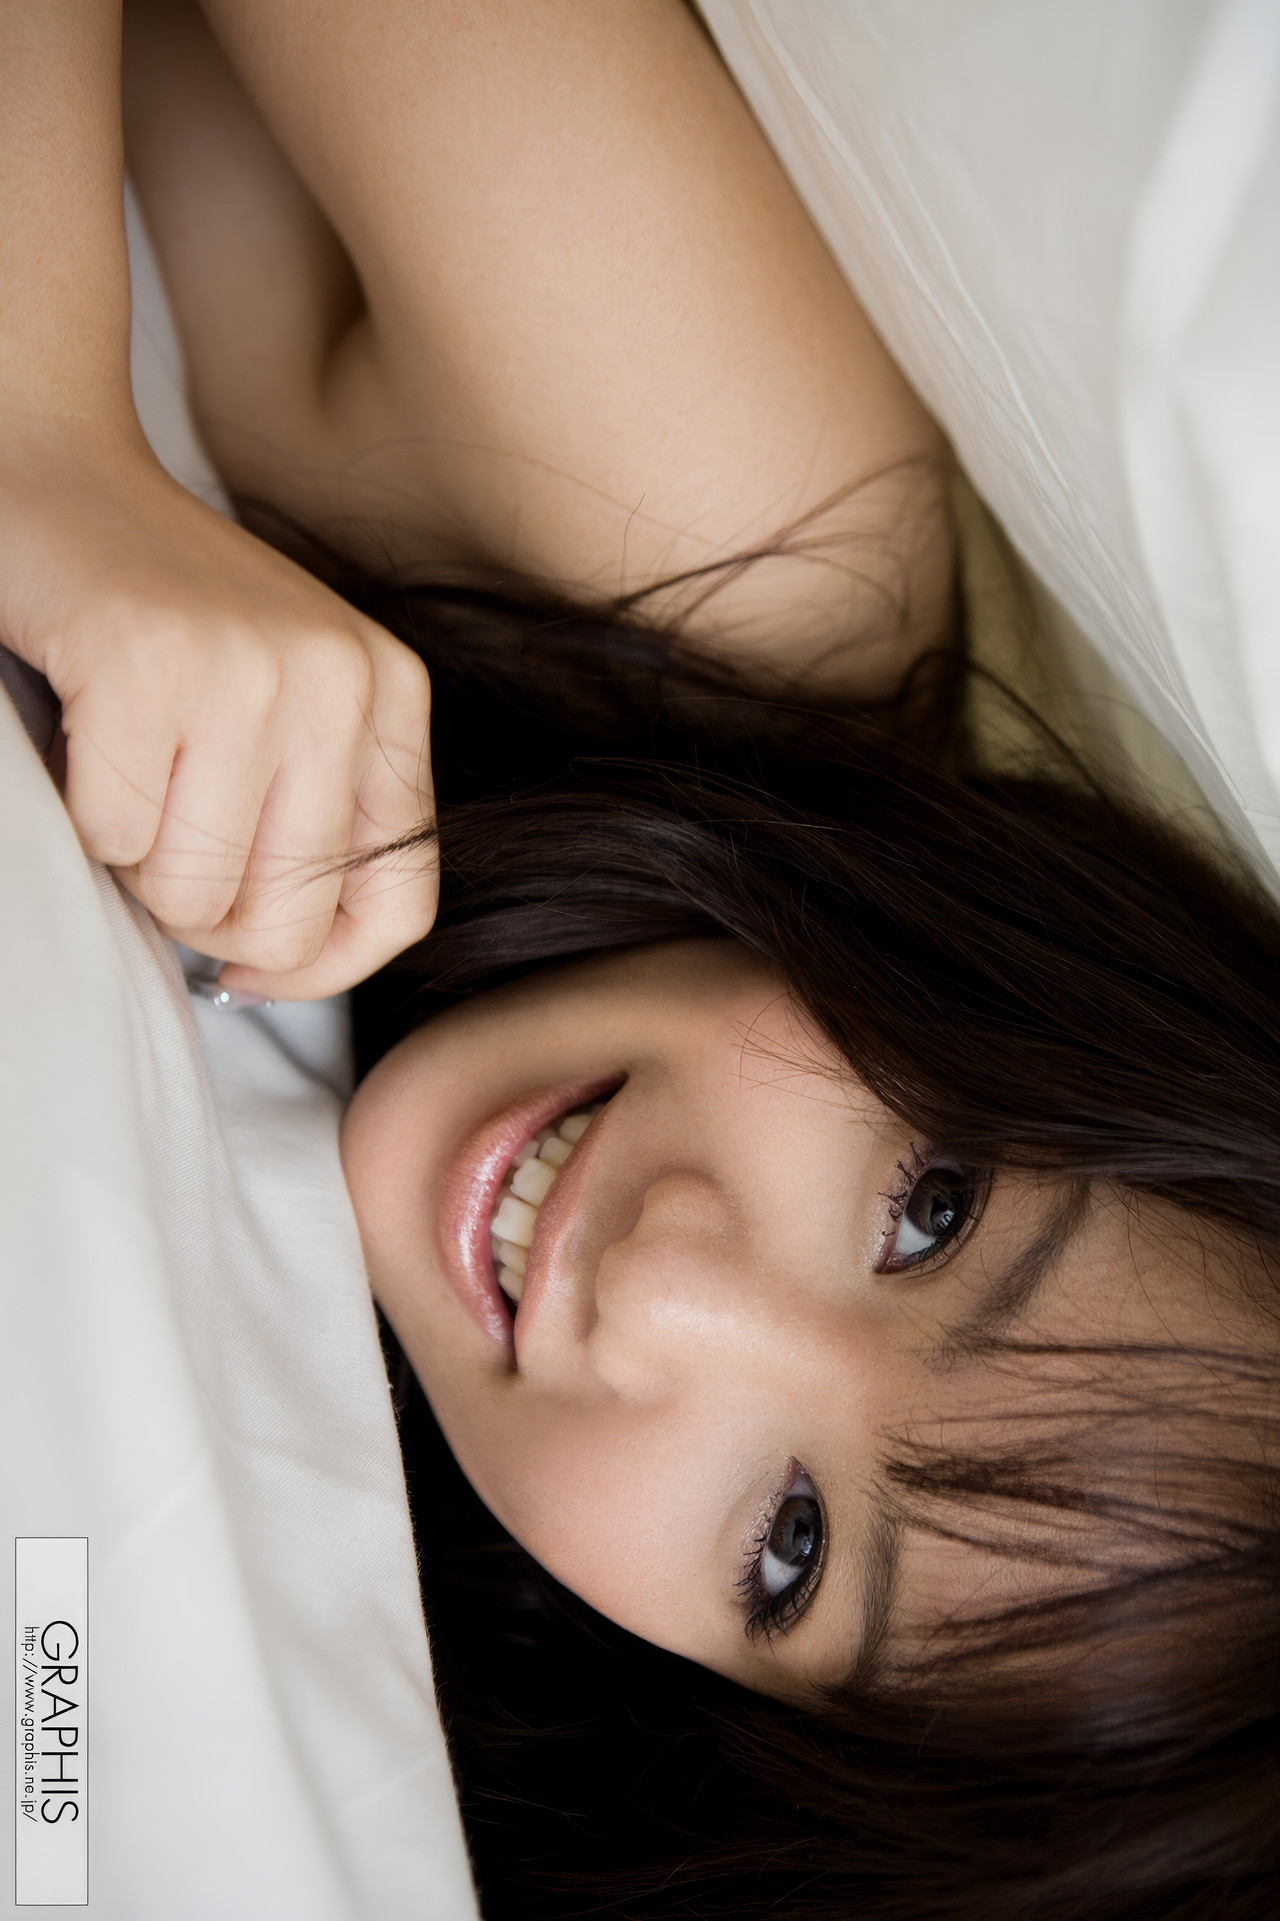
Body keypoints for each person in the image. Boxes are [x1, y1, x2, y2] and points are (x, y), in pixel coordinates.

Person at [2, 3, 1277, 1913]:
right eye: (928, 1210)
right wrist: (41, 436)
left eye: (788, 1548)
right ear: (1043, 990)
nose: (667, 1285)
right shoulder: (724, 537)